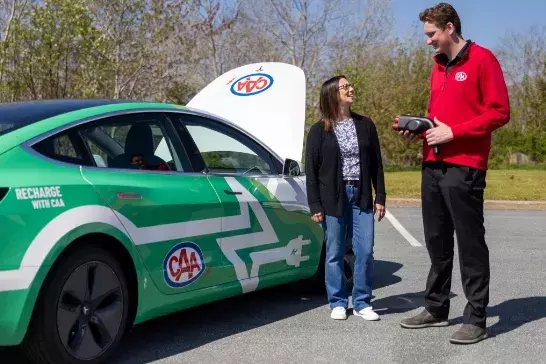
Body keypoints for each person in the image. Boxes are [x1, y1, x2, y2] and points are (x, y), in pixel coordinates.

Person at [397, 3, 510, 344]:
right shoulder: (436, 67)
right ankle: (436, 308)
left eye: (431, 34)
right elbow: (439, 117)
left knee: (470, 244)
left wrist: (453, 133)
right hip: (432, 164)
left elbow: (500, 112)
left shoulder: (483, 59)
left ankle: (476, 317)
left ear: (449, 28)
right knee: (437, 240)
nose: (428, 41)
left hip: (466, 166)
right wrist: (420, 127)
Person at [305, 75, 386, 321]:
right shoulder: (319, 130)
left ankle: (362, 302)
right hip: (332, 198)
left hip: (361, 194)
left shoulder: (365, 125)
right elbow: (311, 170)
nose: (351, 89)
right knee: (335, 252)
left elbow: (377, 164)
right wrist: (315, 203)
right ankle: (338, 302)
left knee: (365, 250)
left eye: (351, 85)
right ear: (332, 94)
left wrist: (380, 195)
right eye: (345, 87)